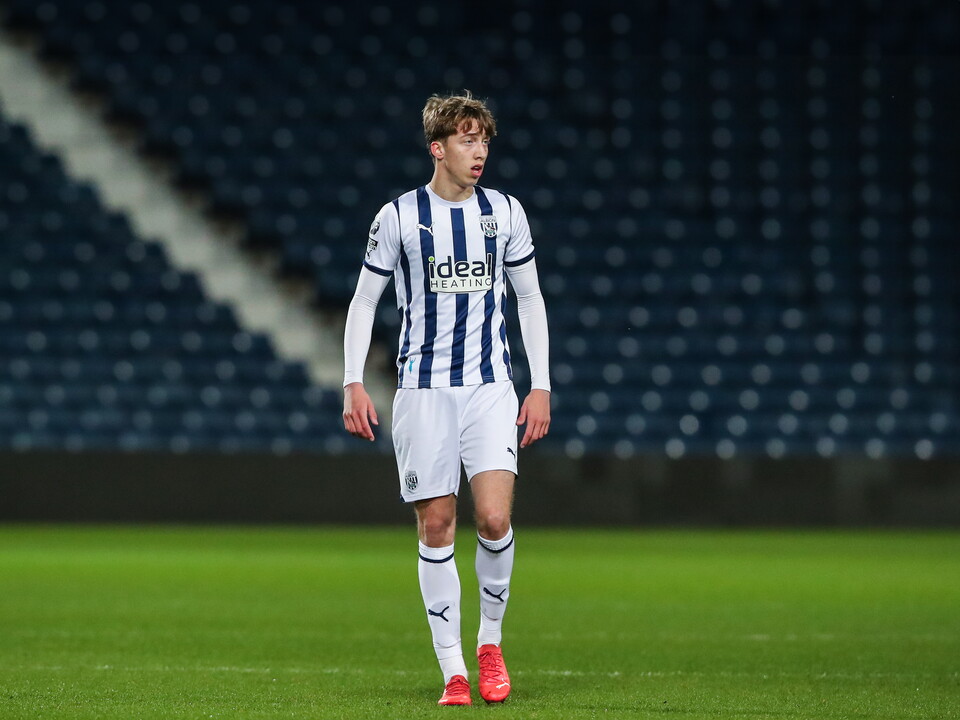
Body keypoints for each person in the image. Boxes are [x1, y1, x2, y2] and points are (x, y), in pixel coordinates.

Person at [341, 91, 551, 706]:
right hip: (424, 391)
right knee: (436, 525)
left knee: (493, 517)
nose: (479, 151)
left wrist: (540, 384)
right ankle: (453, 670)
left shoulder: (505, 213)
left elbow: (530, 299)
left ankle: (489, 643)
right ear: (438, 148)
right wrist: (352, 379)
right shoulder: (400, 217)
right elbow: (364, 302)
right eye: (466, 140)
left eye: (484, 140)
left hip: (489, 386)